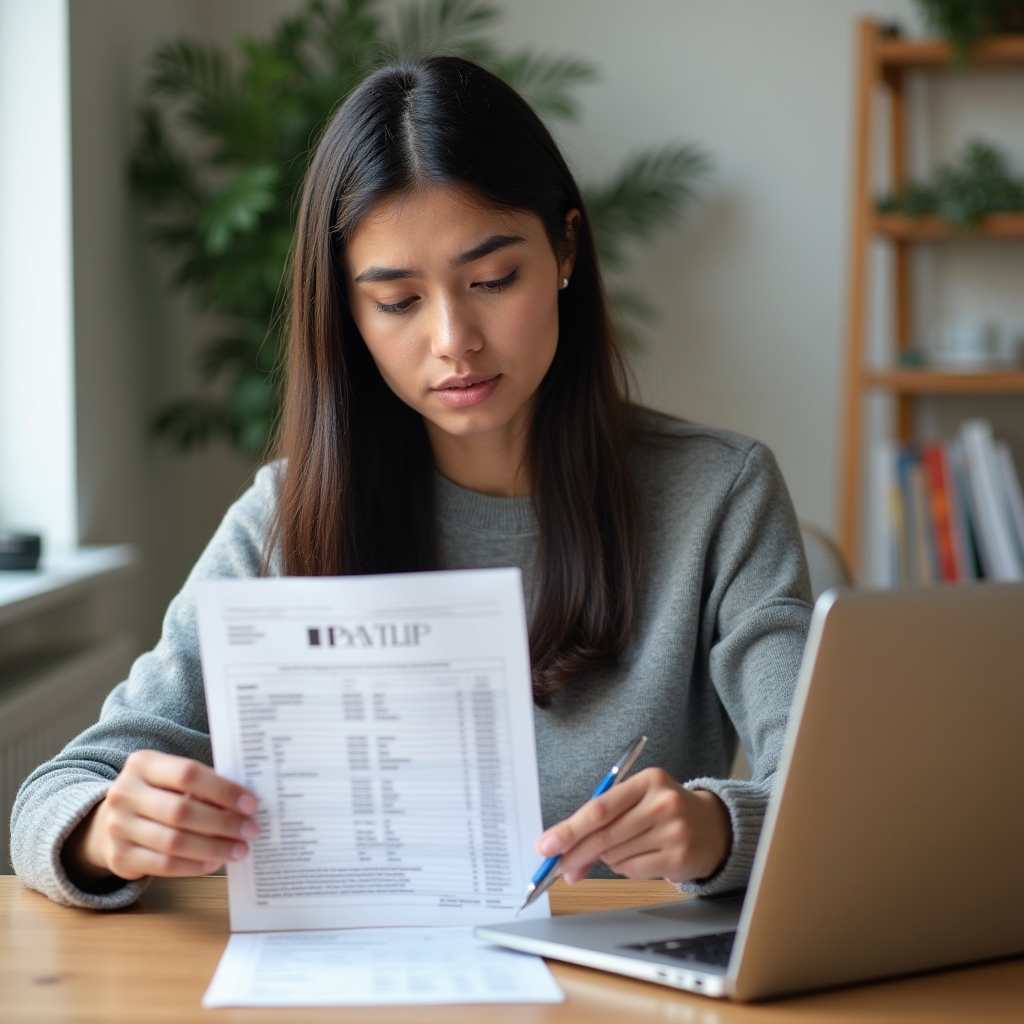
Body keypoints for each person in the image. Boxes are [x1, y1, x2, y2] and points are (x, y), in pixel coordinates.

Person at [11, 57, 811, 909]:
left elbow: (828, 791)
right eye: (396, 301)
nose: (453, 339)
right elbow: (53, 797)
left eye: (493, 281)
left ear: (566, 247)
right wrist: (106, 829)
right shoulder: (288, 520)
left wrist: (719, 828)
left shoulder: (720, 497)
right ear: (348, 314)